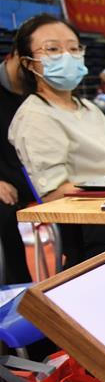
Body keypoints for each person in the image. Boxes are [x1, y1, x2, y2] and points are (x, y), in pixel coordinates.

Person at [10, 14, 105, 266]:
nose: (67, 56)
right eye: (53, 49)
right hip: (98, 225)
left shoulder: (89, 109)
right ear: (28, 63)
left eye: (73, 48)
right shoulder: (36, 117)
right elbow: (53, 195)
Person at [0, 49, 34, 283]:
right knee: (4, 214)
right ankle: (19, 292)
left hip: (38, 175)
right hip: (5, 180)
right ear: (13, 56)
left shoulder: (38, 89)